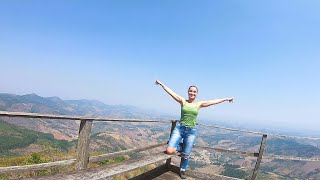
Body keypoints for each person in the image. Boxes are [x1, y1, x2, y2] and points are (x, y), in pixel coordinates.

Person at [155, 80, 234, 179]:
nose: (192, 93)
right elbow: (171, 93)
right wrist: (162, 84)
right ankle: (180, 146)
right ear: (188, 92)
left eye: (194, 91)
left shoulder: (199, 104)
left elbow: (213, 101)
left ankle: (182, 170)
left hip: (191, 132)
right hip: (179, 129)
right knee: (169, 151)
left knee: (186, 154)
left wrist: (226, 99)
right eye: (190, 91)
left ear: (197, 94)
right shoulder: (183, 101)